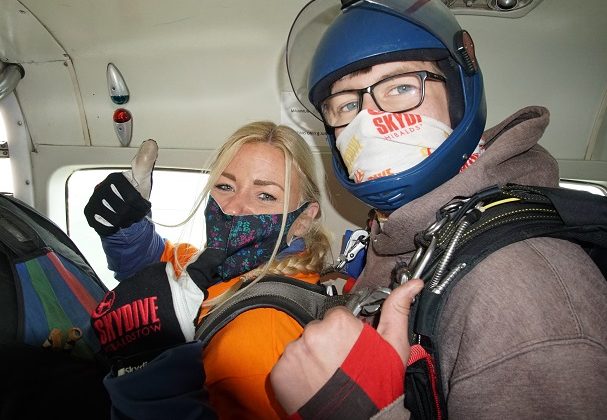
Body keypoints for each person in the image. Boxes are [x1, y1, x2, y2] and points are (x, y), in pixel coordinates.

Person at [270, 0, 607, 418]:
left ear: (459, 98)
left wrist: (349, 409)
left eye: (400, 87)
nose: (371, 121)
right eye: (346, 105)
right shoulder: (399, 237)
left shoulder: (520, 293)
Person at [85, 121, 332, 419]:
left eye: (265, 195)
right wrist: (125, 225)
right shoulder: (226, 266)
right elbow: (166, 265)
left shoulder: (256, 332)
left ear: (304, 219)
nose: (234, 207)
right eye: (225, 186)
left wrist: (148, 382)